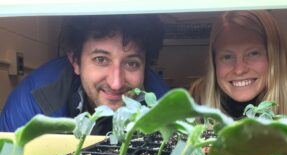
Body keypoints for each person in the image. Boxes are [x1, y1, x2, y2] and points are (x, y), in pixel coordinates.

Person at [0, 14, 169, 134]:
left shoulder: (165, 107)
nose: (116, 83)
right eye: (101, 59)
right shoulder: (34, 104)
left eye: (132, 63)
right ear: (75, 60)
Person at [190, 10, 287, 119]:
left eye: (253, 54)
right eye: (227, 57)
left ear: (275, 58)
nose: (239, 70)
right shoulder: (197, 100)